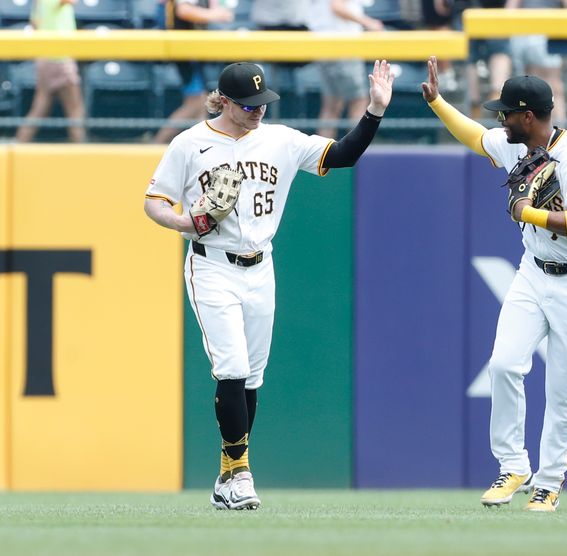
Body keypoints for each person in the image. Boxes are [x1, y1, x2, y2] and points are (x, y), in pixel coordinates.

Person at [144, 60, 394, 509]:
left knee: (252, 376)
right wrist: (182, 220)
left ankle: (227, 475)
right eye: (247, 104)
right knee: (233, 366)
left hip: (261, 267)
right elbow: (153, 200)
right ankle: (240, 474)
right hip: (212, 265)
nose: (258, 110)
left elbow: (344, 155)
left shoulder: (280, 139)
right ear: (223, 101)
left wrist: (374, 110)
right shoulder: (190, 144)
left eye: (262, 102)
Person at [422, 56, 567, 512]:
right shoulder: (516, 144)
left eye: (506, 112)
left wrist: (528, 212)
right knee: (505, 364)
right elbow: (474, 137)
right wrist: (437, 103)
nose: (499, 119)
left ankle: (548, 482)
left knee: (563, 386)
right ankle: (514, 466)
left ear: (528, 116)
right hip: (534, 270)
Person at [153, 0, 234, 144]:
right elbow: (184, 11)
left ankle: (204, 147)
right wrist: (214, 14)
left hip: (193, 49)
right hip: (184, 49)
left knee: (201, 102)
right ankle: (156, 144)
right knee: (197, 101)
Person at [310, 0, 385, 138]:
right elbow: (337, 6)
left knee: (332, 104)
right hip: (342, 47)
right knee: (358, 101)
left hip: (323, 46)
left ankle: (321, 156)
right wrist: (368, 22)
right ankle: (353, 153)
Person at [15, 0, 85, 143]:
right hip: (59, 58)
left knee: (40, 109)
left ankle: (17, 146)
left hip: (45, 57)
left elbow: (35, 24)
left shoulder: (38, 3)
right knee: (75, 110)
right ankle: (83, 156)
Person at [506, 0, 567, 126]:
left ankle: (554, 135)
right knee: (540, 88)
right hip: (526, 31)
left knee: (549, 87)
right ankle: (551, 135)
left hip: (541, 31)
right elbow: (510, 9)